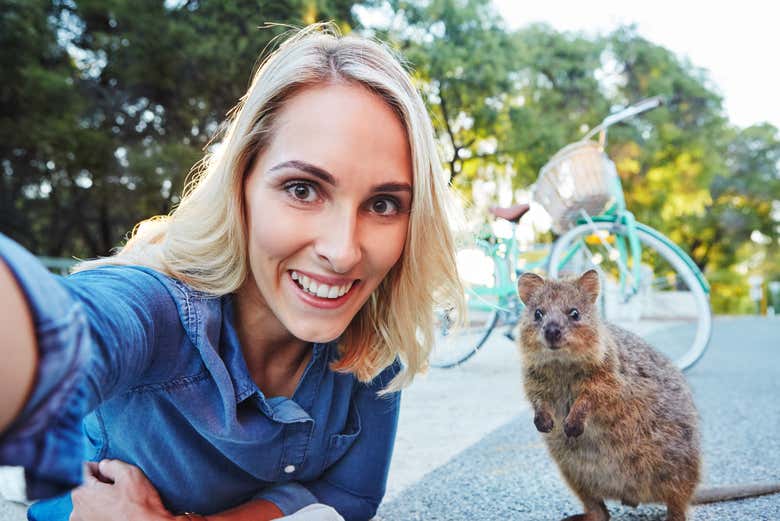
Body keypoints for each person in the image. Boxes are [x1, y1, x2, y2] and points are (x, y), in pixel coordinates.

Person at [0, 24, 462, 521]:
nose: (343, 251)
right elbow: (64, 331)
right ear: (241, 183)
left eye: (384, 203)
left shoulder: (373, 340)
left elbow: (353, 496)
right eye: (303, 189)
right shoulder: (157, 306)